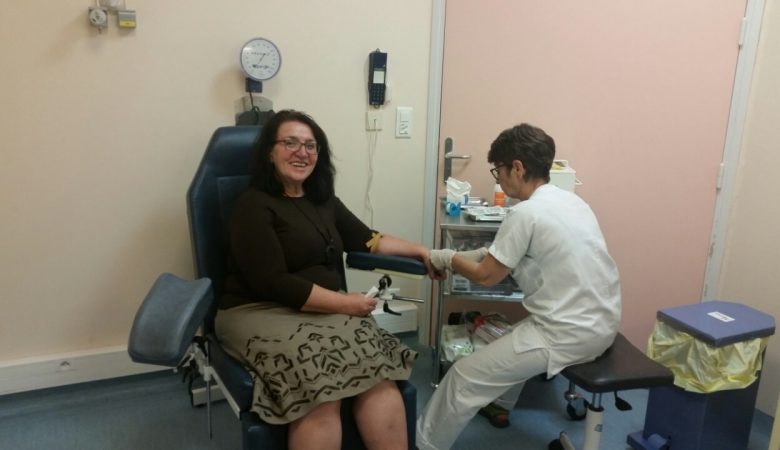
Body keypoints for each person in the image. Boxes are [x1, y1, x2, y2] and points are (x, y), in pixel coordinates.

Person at [216, 109, 433, 450]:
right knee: (319, 387)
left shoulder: (323, 201)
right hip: (259, 309)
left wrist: (421, 250)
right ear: (270, 152)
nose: (302, 152)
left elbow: (369, 239)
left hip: (324, 307)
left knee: (378, 375)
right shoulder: (253, 206)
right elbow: (273, 282)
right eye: (290, 143)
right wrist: (347, 303)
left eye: (310, 145)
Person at [417, 123, 621, 450]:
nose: (498, 179)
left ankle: (424, 443)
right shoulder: (572, 203)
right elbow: (513, 256)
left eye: (498, 171)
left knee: (462, 377)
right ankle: (500, 403)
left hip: (564, 334)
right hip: (602, 324)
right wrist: (467, 255)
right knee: (509, 338)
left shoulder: (525, 213)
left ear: (517, 167)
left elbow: (486, 275)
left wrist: (447, 257)